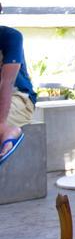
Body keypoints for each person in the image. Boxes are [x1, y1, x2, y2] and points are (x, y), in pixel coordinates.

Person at [0, 14, 38, 167]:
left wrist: (1, 123)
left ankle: (11, 132)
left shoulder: (11, 37)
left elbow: (7, 83)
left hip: (20, 98)